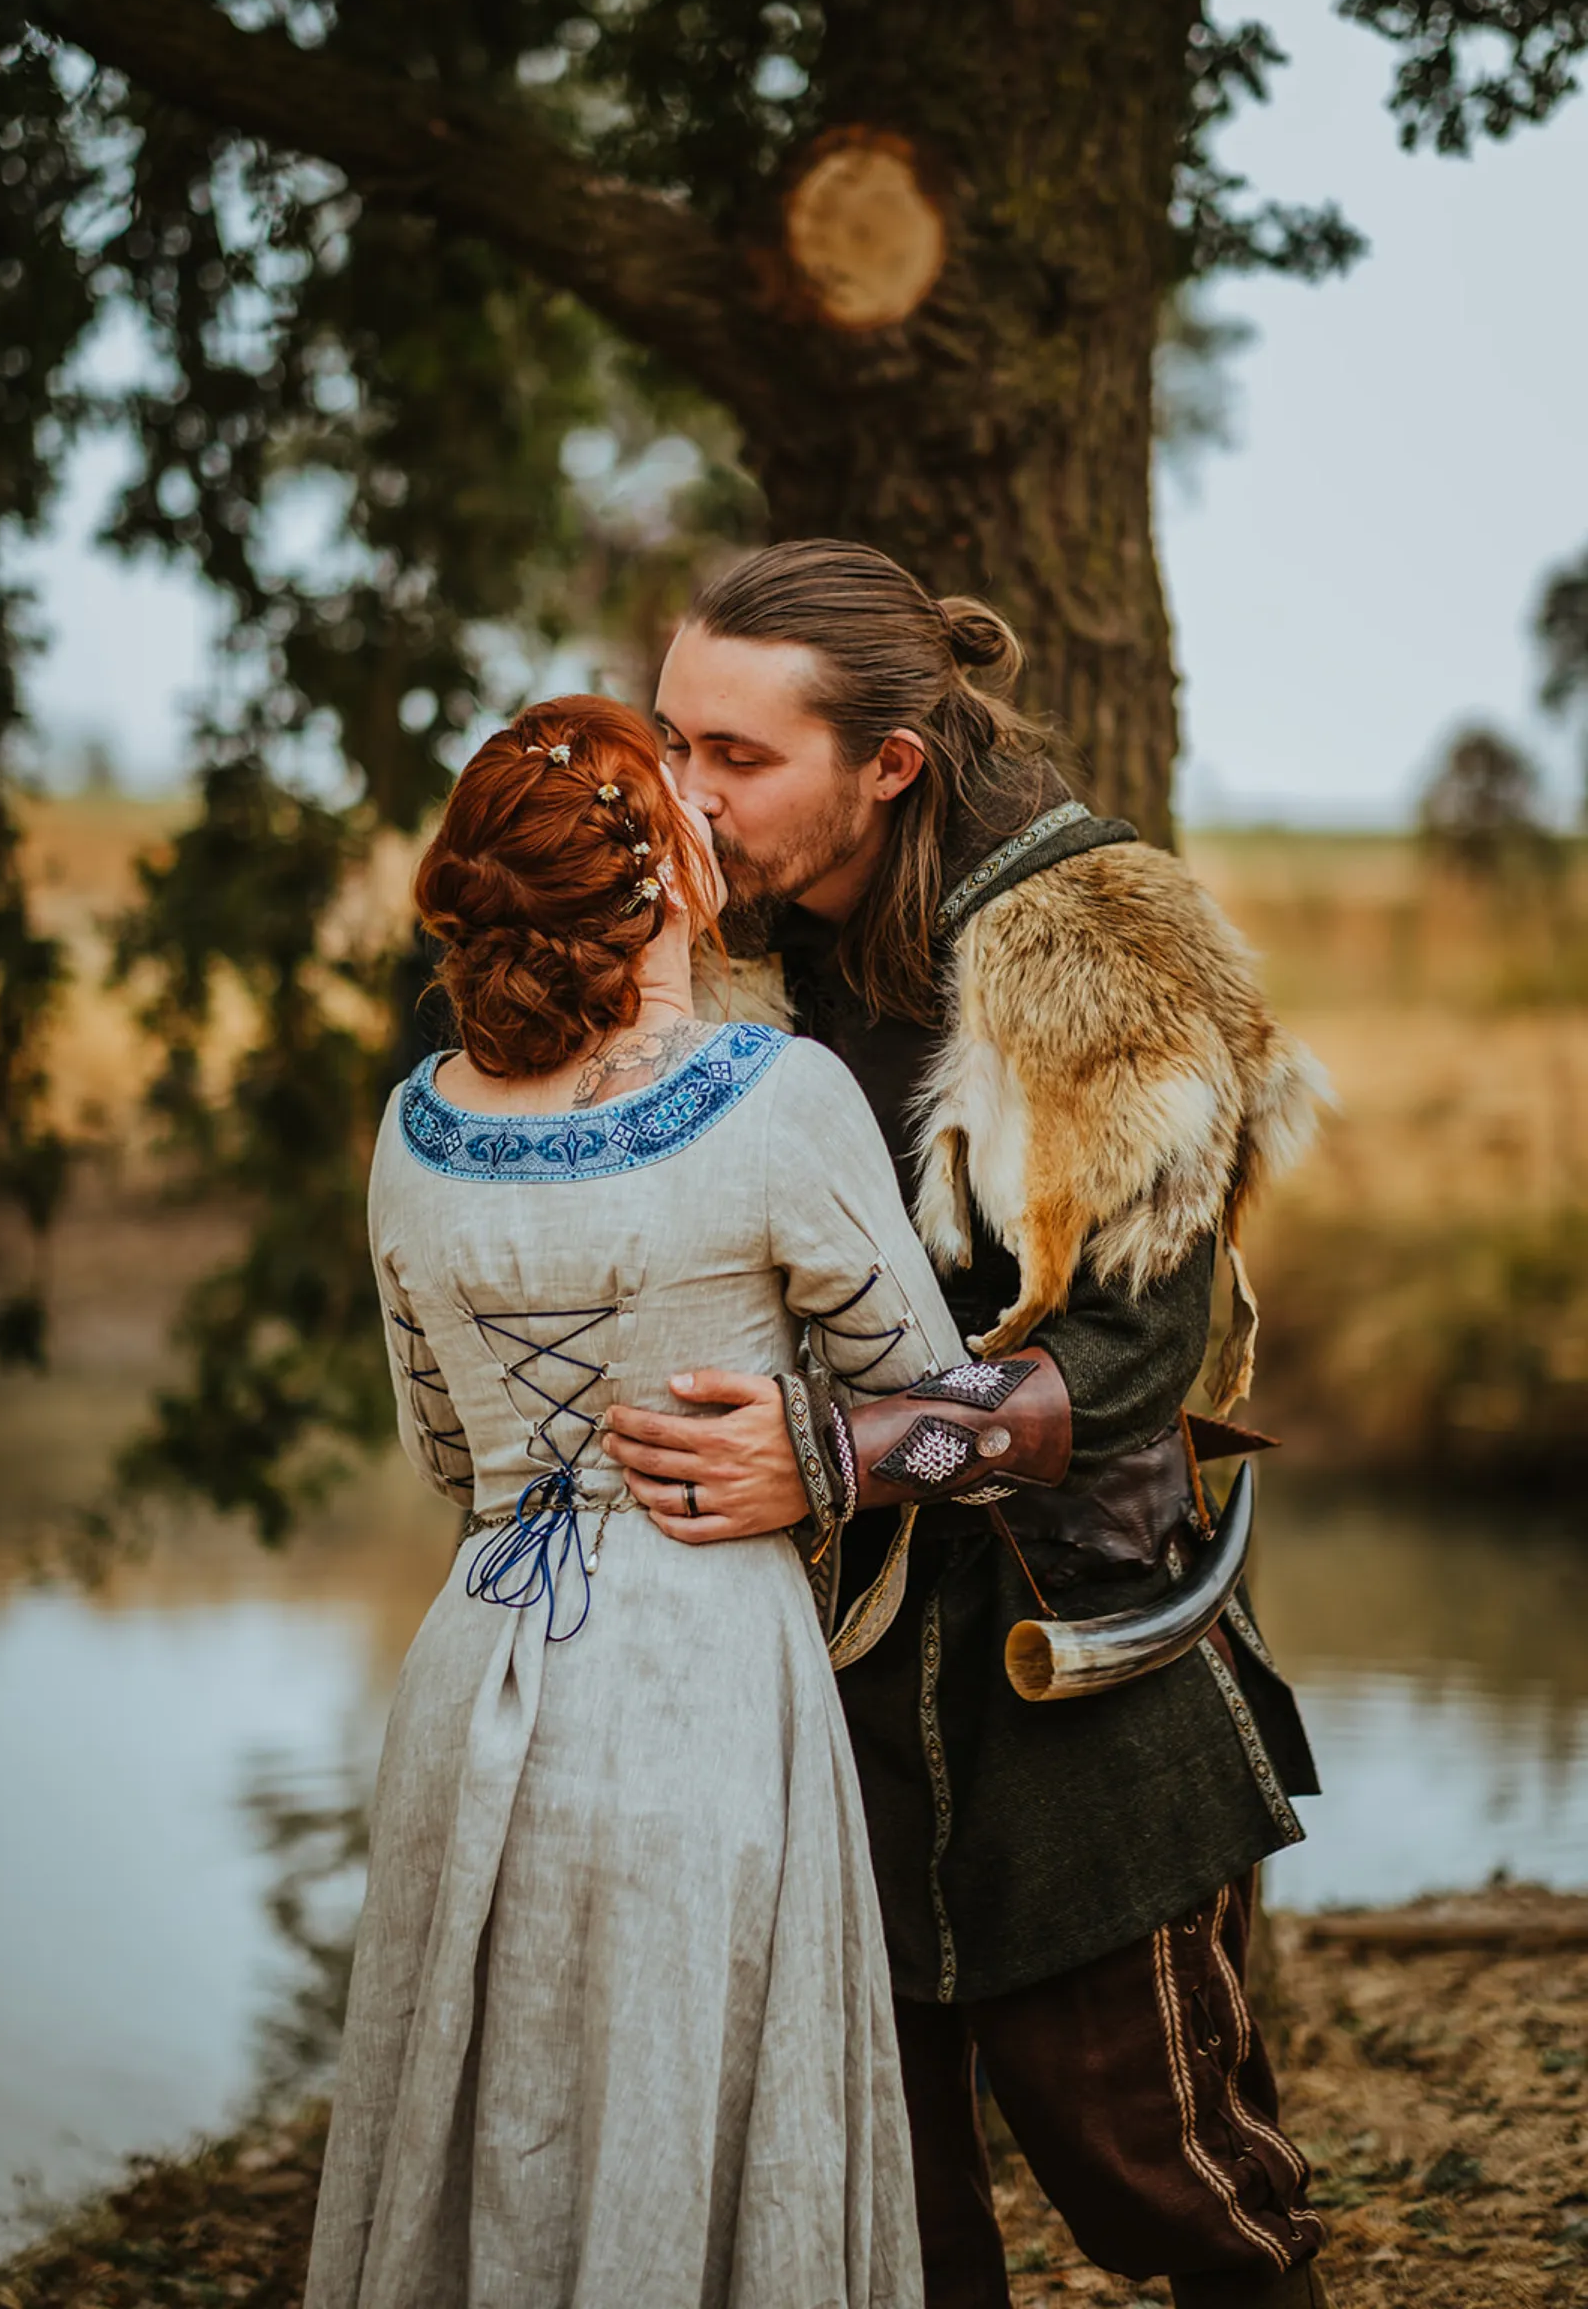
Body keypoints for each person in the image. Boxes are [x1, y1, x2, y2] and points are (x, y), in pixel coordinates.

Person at [604, 543, 1338, 2309]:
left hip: (1069, 1667)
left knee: (1164, 2181)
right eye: (670, 742)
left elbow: (1130, 1359)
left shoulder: (1101, 951)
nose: (684, 798)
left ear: (891, 765)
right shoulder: (728, 962)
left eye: (736, 757)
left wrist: (839, 1452)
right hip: (804, 1680)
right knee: (881, 2206)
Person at [303, 694, 966, 2309]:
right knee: (692, 2093)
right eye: (680, 794)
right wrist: (811, 1449)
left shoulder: (413, 1129)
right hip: (700, 1659)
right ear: (666, 878)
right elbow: (938, 1408)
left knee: (491, 2096)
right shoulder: (780, 1096)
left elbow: (452, 1465)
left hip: (481, 1665)